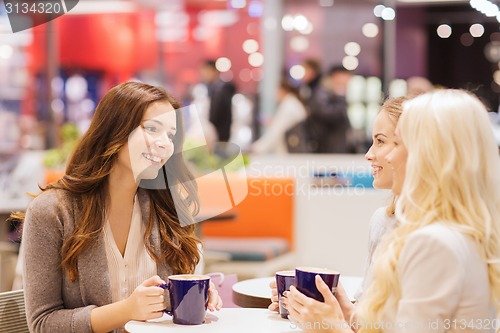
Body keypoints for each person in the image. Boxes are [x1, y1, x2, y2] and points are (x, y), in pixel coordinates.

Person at [284, 89, 500, 332]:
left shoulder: (436, 243)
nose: (387, 155)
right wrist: (345, 311)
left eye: (397, 143)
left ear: (431, 154)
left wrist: (333, 327)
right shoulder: (455, 233)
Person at [16, 82, 222, 333]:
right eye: (152, 128)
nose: (165, 144)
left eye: (170, 135)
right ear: (115, 130)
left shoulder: (164, 207)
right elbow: (43, 324)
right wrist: (126, 310)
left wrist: (190, 293)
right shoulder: (52, 211)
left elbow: (161, 303)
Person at [268, 96, 408, 312]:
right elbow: (368, 320)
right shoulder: (383, 221)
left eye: (380, 141)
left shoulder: (433, 240)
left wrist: (333, 326)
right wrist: (335, 306)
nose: (368, 155)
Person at [251, 79, 308, 154]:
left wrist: (256, 148)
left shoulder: (288, 106)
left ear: (283, 90)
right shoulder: (293, 103)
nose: (275, 96)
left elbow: (276, 131)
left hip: (292, 152)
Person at [307, 65, 353, 153]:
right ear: (337, 76)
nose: (348, 80)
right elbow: (327, 114)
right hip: (327, 147)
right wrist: (340, 96)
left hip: (333, 146)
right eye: (346, 77)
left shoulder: (329, 92)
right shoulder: (323, 92)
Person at [200, 59, 236, 142]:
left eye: (206, 72)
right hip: (217, 135)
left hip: (220, 136)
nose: (204, 75)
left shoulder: (222, 89)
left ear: (214, 71)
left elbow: (218, 116)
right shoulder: (213, 89)